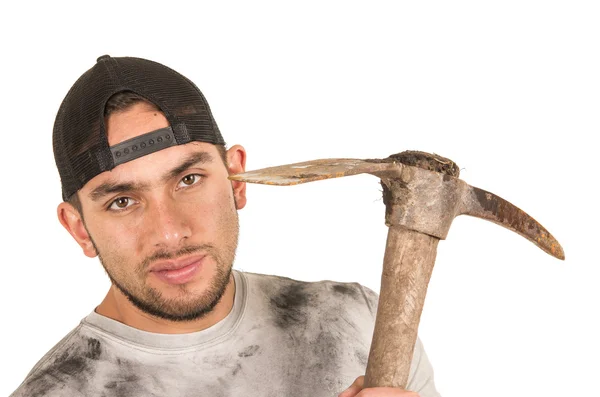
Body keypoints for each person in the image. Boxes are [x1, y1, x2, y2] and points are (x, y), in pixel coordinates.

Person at [10, 55, 440, 397]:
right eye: (123, 201)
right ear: (79, 228)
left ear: (236, 179)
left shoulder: (359, 321)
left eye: (189, 180)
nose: (170, 232)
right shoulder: (59, 390)